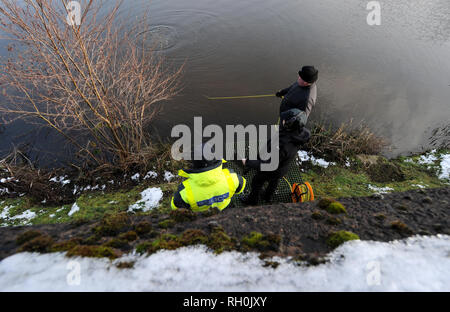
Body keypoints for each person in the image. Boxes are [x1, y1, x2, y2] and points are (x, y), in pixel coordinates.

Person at [241, 109, 311, 205]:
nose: (282, 120)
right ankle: (267, 196)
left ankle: (252, 201)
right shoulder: (299, 133)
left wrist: (248, 162)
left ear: (289, 124)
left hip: (272, 169)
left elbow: (269, 164)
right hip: (282, 168)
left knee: (257, 181)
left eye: (285, 120)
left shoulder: (282, 145)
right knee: (274, 181)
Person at [171, 146, 246, 212]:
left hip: (201, 218)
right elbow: (241, 188)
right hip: (227, 210)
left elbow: (175, 207)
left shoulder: (184, 191)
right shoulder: (233, 178)